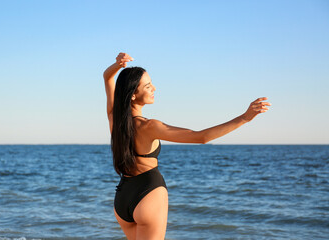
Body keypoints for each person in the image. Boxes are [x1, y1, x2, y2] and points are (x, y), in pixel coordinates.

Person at [103, 52, 271, 240]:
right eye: (148, 86)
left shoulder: (114, 119)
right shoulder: (150, 126)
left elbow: (107, 77)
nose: (154, 88)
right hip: (148, 193)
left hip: (122, 197)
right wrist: (244, 118)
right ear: (133, 95)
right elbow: (201, 137)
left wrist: (117, 66)